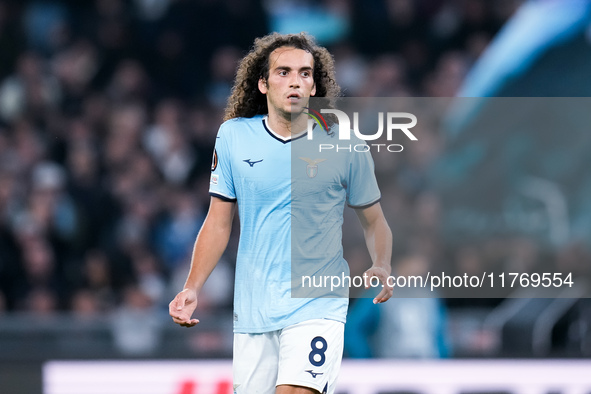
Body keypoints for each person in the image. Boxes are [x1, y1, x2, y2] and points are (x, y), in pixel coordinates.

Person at [169, 32, 393, 394]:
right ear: (262, 83)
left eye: (305, 73)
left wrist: (381, 262)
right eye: (284, 72)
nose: (296, 81)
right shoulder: (233, 137)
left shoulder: (345, 142)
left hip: (318, 302)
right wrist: (192, 287)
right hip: (254, 307)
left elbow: (375, 221)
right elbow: (218, 221)